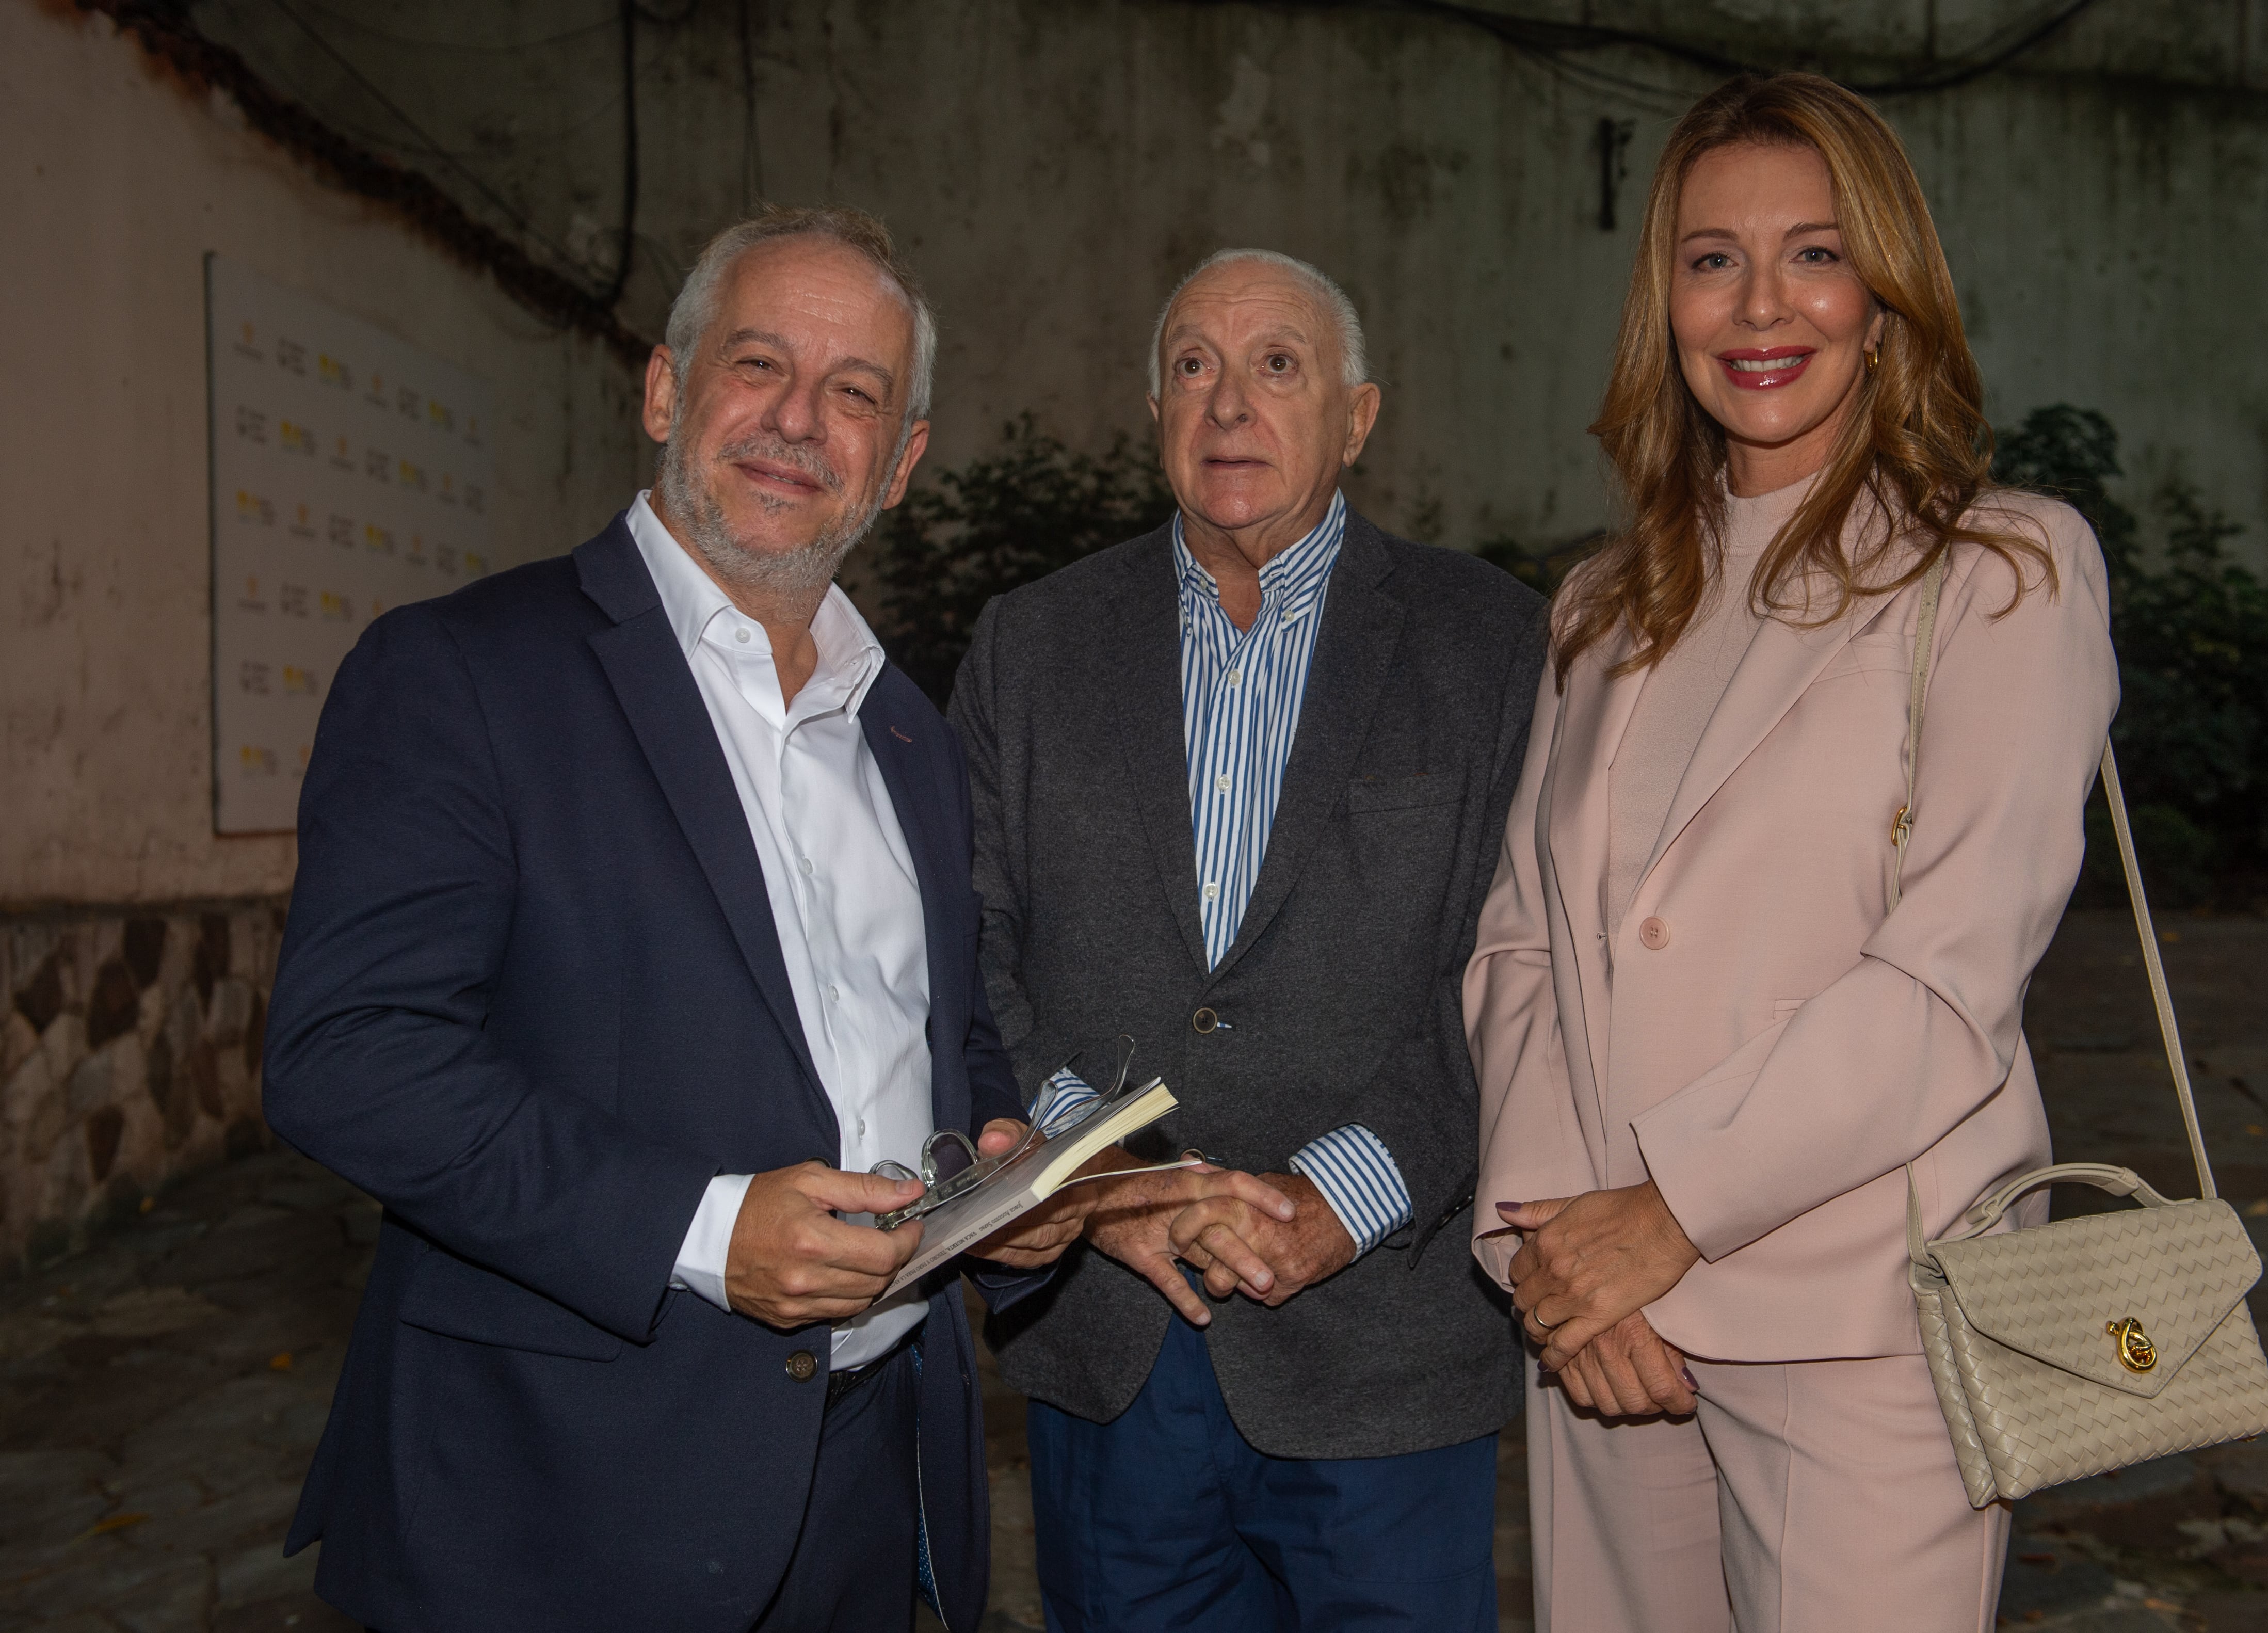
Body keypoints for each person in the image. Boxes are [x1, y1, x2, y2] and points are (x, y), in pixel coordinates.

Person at [262, 205, 1075, 1633]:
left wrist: (992, 1170)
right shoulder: (463, 672)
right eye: (758, 364)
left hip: (876, 1478)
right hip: (565, 1496)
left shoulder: (905, 732)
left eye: (854, 393)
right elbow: (350, 1051)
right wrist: (701, 1228)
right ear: (664, 390)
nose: (796, 421)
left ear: (899, 460)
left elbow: (939, 1031)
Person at [1465, 74, 2118, 1632]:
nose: (1758, 305)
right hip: (1607, 1318)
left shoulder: (2003, 570)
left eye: (1812, 254)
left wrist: (1664, 1211)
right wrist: (1554, 1242)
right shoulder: (1598, 606)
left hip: (1867, 1323)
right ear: (1662, 302)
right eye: (1709, 259)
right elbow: (1518, 944)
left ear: (1885, 297)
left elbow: (1946, 977)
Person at [950, 248, 1548, 1630]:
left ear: (1356, 414)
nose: (1229, 403)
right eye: (1192, 366)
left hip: (1383, 1336)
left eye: (1277, 363)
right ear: (1153, 409)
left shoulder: (1495, 644)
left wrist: (1349, 1188)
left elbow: (1521, 968)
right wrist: (1101, 1178)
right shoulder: (1030, 645)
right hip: (1111, 1343)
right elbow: (972, 948)